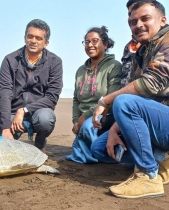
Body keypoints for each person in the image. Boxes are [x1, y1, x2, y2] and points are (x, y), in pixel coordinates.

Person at [91, 0, 169, 199]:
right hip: (155, 120)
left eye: (145, 18)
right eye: (132, 21)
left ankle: (148, 176)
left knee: (122, 101)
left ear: (162, 20)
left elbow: (149, 85)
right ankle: (167, 156)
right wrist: (114, 129)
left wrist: (105, 101)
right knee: (99, 149)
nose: (138, 25)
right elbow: (136, 96)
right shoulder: (142, 53)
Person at [0, 19, 63, 151]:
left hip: (38, 112)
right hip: (13, 112)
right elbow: (5, 93)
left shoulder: (55, 62)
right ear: (25, 37)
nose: (33, 41)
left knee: (46, 119)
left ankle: (40, 140)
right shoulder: (10, 59)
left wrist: (24, 110)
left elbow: (51, 98)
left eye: (38, 38)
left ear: (46, 43)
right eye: (30, 36)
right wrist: (5, 127)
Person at [65, 26, 122, 163]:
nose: (90, 45)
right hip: (83, 119)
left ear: (105, 43)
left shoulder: (114, 66)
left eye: (95, 41)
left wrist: (84, 118)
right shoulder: (80, 71)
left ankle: (96, 156)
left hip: (105, 114)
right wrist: (75, 121)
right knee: (84, 126)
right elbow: (76, 99)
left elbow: (111, 98)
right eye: (87, 42)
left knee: (87, 126)